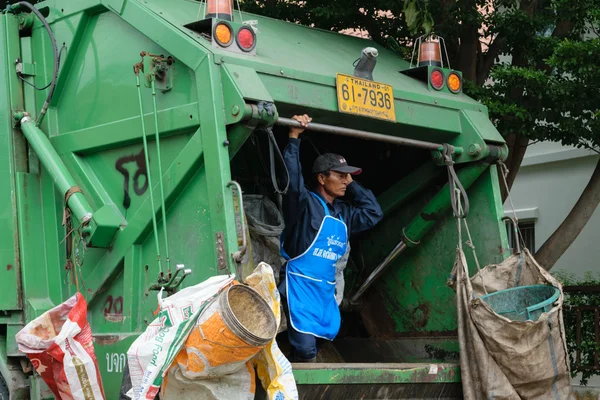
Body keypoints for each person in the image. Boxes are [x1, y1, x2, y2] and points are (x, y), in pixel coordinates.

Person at [277, 114, 383, 362]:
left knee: (322, 340)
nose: (346, 181)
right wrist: (293, 138)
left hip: (325, 292)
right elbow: (291, 182)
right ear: (322, 178)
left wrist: (351, 181)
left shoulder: (343, 213)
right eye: (340, 175)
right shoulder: (303, 205)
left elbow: (373, 213)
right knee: (305, 348)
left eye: (348, 177)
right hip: (300, 288)